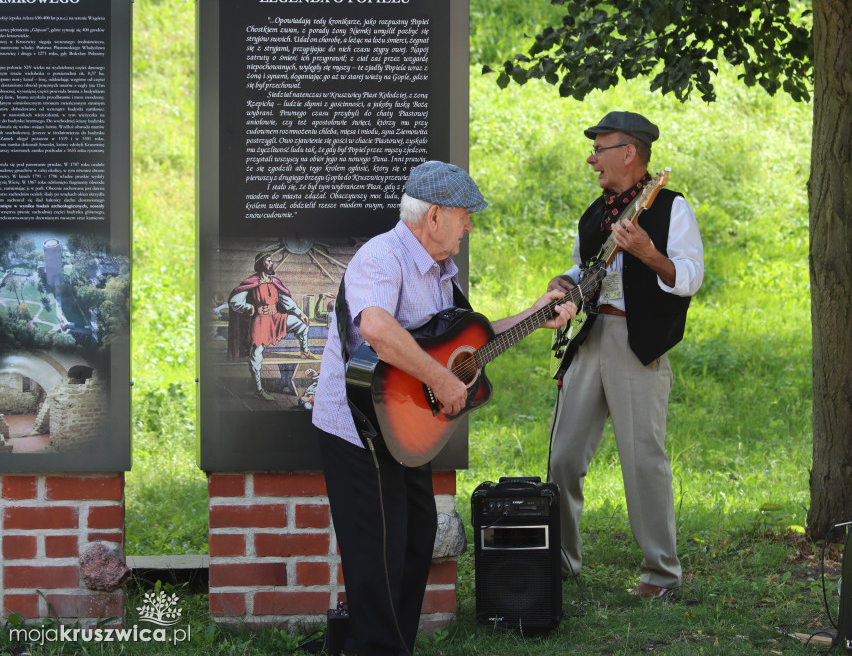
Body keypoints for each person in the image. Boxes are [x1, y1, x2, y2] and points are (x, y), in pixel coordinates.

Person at [312, 160, 576, 655]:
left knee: (416, 540)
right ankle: (373, 648)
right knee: (379, 554)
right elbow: (375, 327)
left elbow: (467, 342)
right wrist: (438, 378)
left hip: (406, 429)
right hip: (359, 429)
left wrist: (536, 315)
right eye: (464, 215)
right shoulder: (382, 258)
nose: (470, 224)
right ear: (434, 216)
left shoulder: (439, 272)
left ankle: (393, 645)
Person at [547, 111, 704, 600]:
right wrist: (565, 283)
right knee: (563, 457)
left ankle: (661, 574)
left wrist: (648, 253)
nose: (592, 158)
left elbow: (691, 276)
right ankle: (562, 562)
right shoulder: (594, 212)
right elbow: (584, 267)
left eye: (601, 148)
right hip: (593, 334)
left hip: (639, 341)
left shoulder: (671, 207)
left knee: (643, 459)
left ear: (629, 152)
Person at [227, 251, 312, 401]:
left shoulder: (274, 282)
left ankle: (304, 351)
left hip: (276, 318)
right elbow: (234, 301)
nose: (271, 263)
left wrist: (300, 314)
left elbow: (286, 301)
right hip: (260, 322)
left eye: (271, 261)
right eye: (268, 261)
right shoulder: (251, 282)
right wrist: (250, 308)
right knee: (255, 356)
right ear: (261, 264)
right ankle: (258, 390)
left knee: (301, 324)